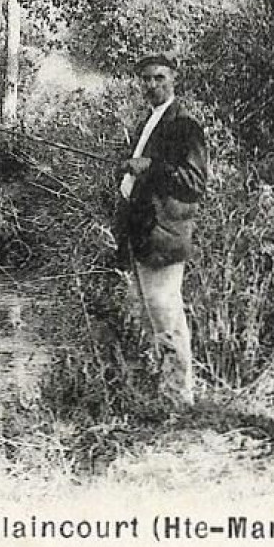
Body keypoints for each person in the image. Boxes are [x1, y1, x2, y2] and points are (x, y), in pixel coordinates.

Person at [112, 54, 208, 408]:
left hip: (164, 237)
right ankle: (168, 395)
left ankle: (178, 400)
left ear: (174, 79)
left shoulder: (185, 126)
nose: (152, 85)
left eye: (159, 78)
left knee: (168, 317)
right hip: (141, 236)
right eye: (146, 79)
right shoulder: (149, 123)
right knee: (155, 318)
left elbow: (194, 183)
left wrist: (150, 166)